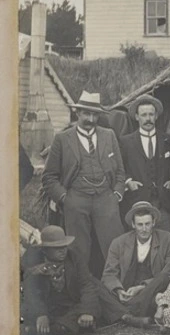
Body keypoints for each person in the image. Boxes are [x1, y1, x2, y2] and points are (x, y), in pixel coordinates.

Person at [41, 90, 126, 277]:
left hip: (106, 198)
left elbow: (120, 170)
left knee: (115, 245)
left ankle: (116, 291)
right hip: (76, 199)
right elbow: (48, 177)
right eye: (86, 113)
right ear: (77, 113)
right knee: (78, 250)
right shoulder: (62, 139)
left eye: (94, 114)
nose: (90, 118)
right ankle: (79, 294)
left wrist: (117, 194)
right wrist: (65, 198)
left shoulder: (109, 135)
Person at [99, 201, 170, 327]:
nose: (144, 229)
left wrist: (142, 287)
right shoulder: (119, 243)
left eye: (147, 224)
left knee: (163, 280)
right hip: (126, 293)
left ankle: (124, 313)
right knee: (95, 287)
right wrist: (119, 290)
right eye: (140, 224)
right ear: (133, 224)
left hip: (153, 292)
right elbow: (109, 274)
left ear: (154, 222)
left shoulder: (169, 240)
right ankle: (130, 314)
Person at [21, 226, 100, 335]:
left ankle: (55, 329)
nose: (62, 251)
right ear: (44, 250)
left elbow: (86, 285)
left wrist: (87, 311)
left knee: (85, 316)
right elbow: (31, 291)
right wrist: (40, 314)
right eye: (56, 248)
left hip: (70, 306)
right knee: (24, 311)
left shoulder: (74, 257)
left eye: (64, 246)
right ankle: (60, 327)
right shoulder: (33, 260)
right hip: (47, 306)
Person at [119, 94, 170, 234]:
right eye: (144, 115)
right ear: (137, 117)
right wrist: (128, 182)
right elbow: (119, 168)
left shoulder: (167, 139)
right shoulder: (126, 142)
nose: (148, 118)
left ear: (156, 116)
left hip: (163, 202)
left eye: (151, 114)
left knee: (166, 238)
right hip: (137, 201)